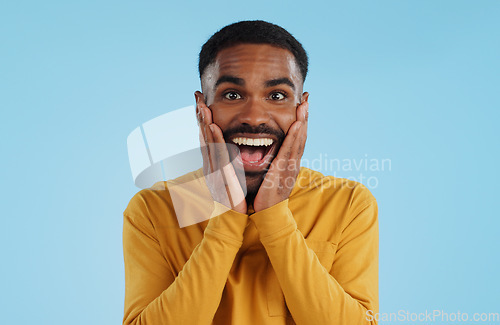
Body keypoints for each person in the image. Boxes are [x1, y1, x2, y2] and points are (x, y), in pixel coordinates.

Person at [122, 20, 379, 325]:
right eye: (232, 95)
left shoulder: (348, 203)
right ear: (201, 108)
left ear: (302, 108)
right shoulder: (154, 209)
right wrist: (225, 220)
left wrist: (275, 218)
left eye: (277, 95)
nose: (254, 117)